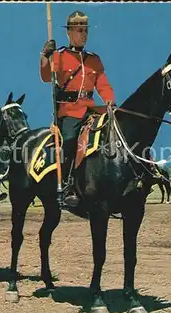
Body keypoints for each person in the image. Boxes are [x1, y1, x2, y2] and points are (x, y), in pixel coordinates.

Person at [40, 10, 115, 207]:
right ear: (69, 33)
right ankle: (68, 185)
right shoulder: (60, 56)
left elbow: (103, 84)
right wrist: (45, 56)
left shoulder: (94, 60)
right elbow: (47, 77)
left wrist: (109, 101)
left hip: (90, 110)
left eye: (85, 30)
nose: (83, 34)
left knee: (114, 130)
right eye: (79, 30)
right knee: (71, 140)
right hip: (69, 112)